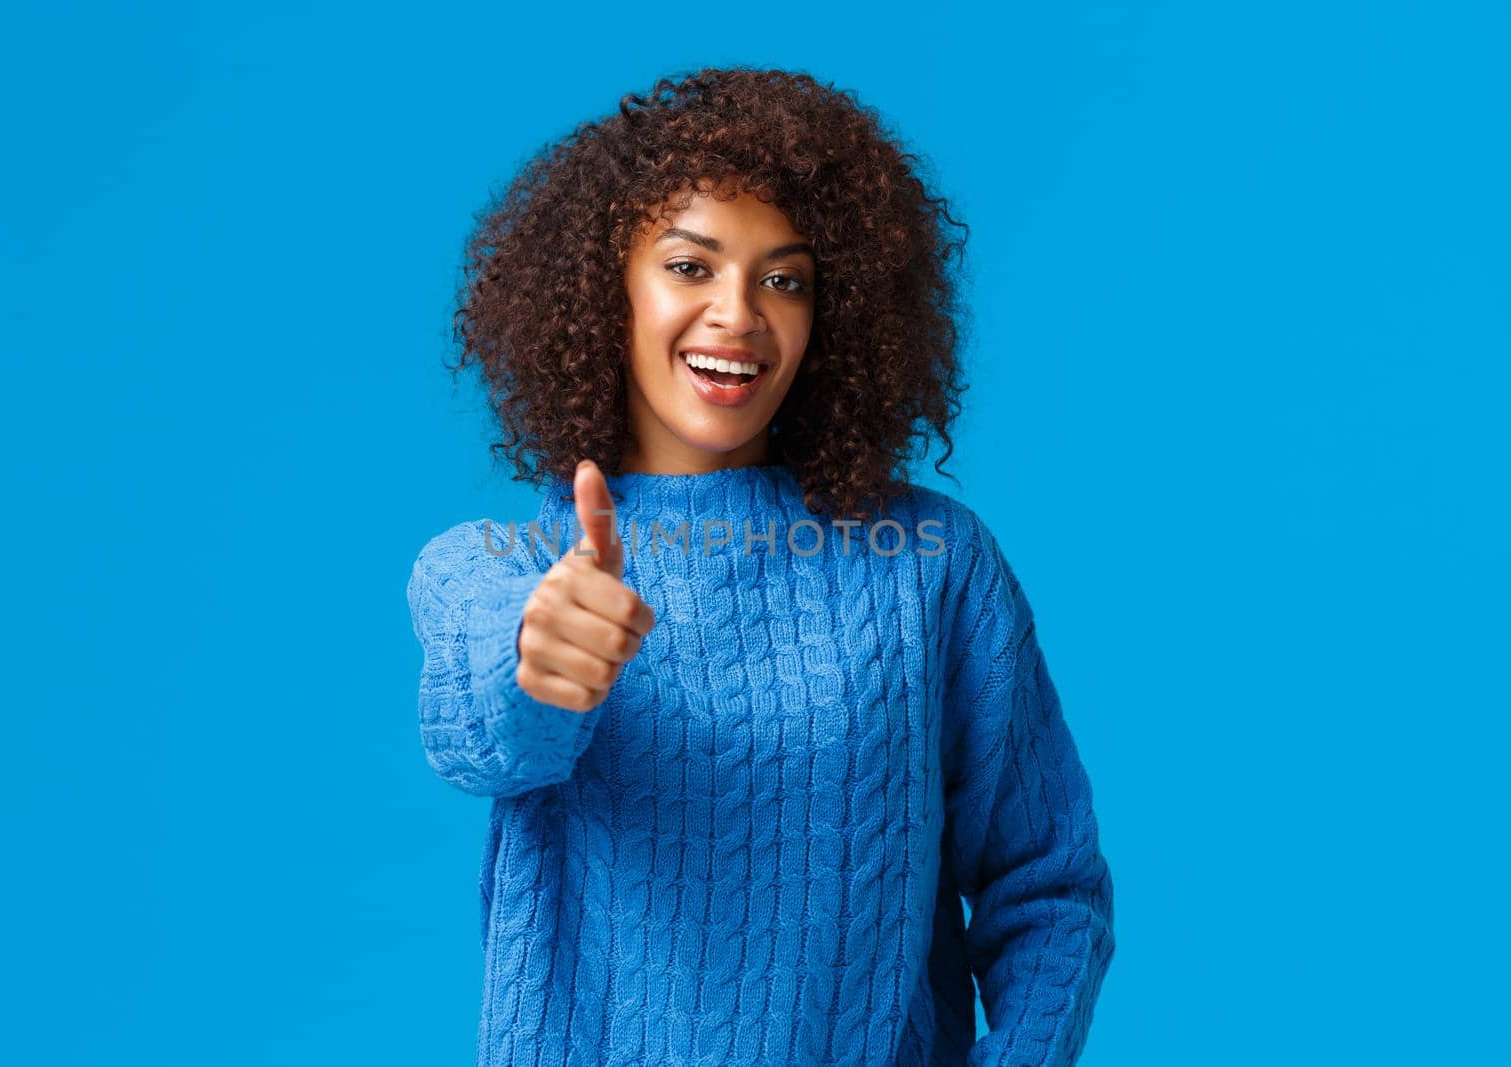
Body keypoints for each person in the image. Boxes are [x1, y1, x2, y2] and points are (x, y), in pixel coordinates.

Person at [406, 66, 1115, 1066]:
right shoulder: (503, 564)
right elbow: (485, 735)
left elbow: (1047, 884)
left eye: (783, 278)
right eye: (689, 267)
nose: (739, 314)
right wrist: (539, 655)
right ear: (604, 288)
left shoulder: (929, 563)